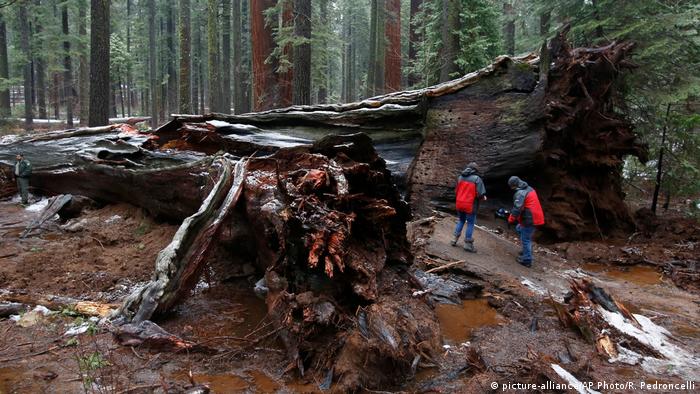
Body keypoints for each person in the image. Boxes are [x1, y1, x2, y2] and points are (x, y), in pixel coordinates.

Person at [507, 176, 544, 267]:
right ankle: (526, 251)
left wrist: (510, 219)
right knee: (519, 229)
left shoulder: (521, 193)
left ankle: (527, 259)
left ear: (514, 185)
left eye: (511, 186)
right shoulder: (529, 188)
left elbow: (517, 208)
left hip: (530, 219)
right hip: (534, 216)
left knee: (525, 239)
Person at [451, 162, 486, 252]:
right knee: (470, 223)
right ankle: (467, 244)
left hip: (459, 203)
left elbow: (456, 191)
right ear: (475, 170)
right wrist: (483, 197)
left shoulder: (460, 177)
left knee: (461, 220)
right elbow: (480, 194)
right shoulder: (477, 179)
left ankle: (454, 240)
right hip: (470, 205)